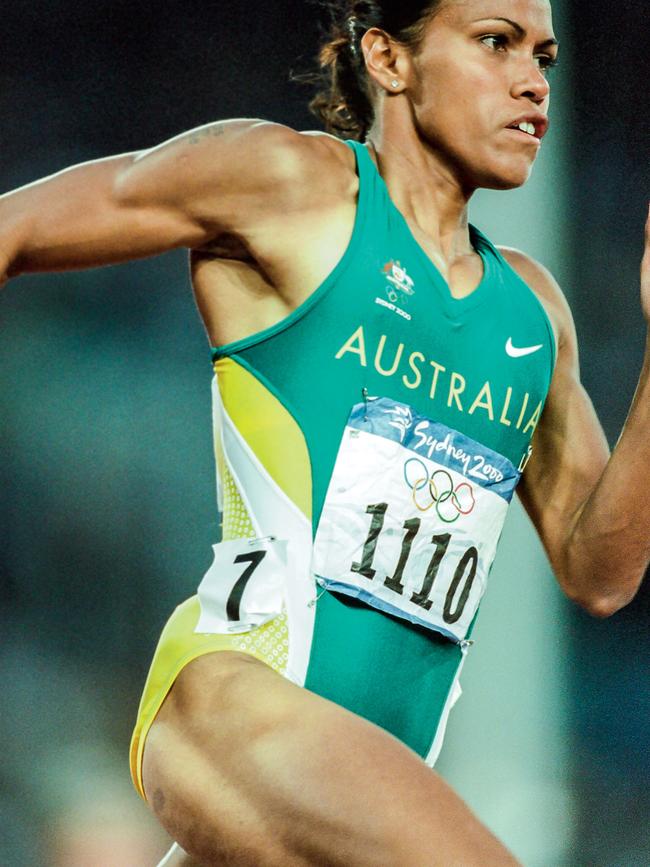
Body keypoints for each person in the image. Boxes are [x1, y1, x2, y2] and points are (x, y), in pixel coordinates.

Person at [1, 0, 648, 864]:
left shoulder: (533, 314)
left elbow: (600, 570)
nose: (532, 81)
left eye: (544, 56)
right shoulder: (288, 183)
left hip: (356, 788)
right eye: (494, 43)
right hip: (236, 704)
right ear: (388, 58)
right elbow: (17, 228)